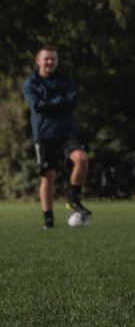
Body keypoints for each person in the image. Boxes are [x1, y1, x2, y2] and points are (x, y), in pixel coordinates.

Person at [21, 45, 92, 229]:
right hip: (45, 135)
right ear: (38, 61)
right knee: (48, 176)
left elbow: (74, 101)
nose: (50, 62)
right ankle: (49, 220)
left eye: (53, 59)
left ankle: (73, 198)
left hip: (67, 132)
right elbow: (37, 106)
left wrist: (51, 104)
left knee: (82, 159)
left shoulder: (65, 81)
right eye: (46, 58)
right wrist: (61, 102)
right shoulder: (31, 83)